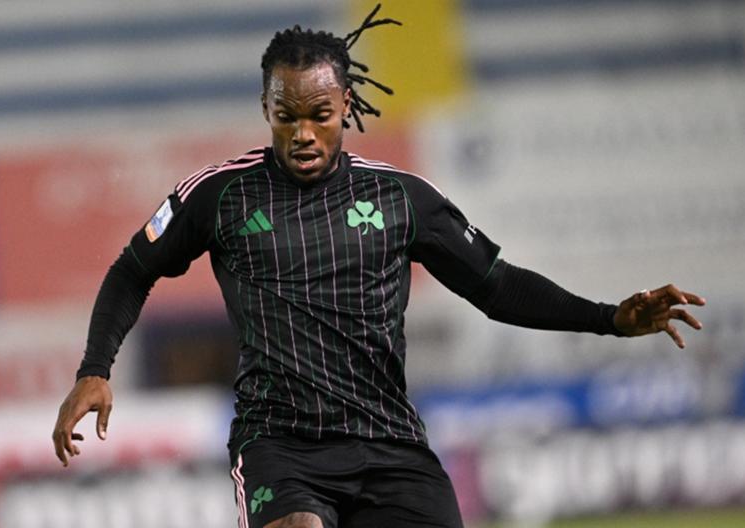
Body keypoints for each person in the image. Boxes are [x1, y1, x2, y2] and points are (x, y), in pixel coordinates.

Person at [52, 5, 705, 528]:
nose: (303, 134)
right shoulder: (219, 195)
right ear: (266, 109)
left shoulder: (401, 199)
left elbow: (497, 285)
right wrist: (94, 369)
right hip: (280, 444)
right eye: (286, 117)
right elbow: (133, 268)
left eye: (319, 116)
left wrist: (609, 318)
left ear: (346, 107)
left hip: (389, 443)